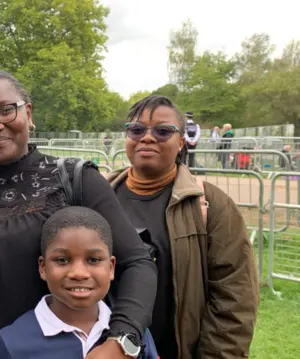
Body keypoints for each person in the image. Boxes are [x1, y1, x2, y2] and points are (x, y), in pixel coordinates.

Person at [0, 70, 157, 359]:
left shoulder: (75, 180)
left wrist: (121, 340)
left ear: (29, 113)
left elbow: (137, 263)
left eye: (5, 110)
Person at [106, 95, 259, 359]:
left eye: (163, 131)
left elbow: (234, 299)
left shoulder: (212, 205)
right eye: (137, 129)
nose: (147, 137)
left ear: (181, 141)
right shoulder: (100, 196)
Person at [0, 206, 158, 359]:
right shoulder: (12, 345)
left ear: (111, 268)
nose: (79, 273)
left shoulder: (132, 333)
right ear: (43, 268)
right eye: (62, 260)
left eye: (93, 260)